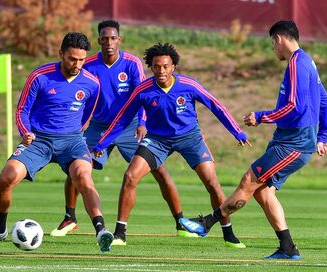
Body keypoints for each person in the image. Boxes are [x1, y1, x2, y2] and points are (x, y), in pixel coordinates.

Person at [179, 20, 327, 260]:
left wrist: (260, 117)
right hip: (291, 141)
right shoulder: (307, 61)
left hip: (293, 144)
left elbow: (294, 106)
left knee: (248, 182)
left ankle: (206, 224)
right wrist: (322, 136)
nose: (274, 49)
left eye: (273, 43)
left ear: (279, 39)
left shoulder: (296, 64)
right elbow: (325, 101)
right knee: (263, 193)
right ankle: (288, 248)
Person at [92, 42, 250, 248]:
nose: (161, 71)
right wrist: (102, 143)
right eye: (156, 67)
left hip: (190, 138)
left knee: (212, 183)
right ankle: (120, 233)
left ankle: (228, 233)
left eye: (165, 66)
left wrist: (236, 131)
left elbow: (216, 106)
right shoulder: (143, 90)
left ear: (173, 67)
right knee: (130, 176)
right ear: (151, 67)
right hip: (157, 140)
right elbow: (122, 118)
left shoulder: (189, 85)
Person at [50, 20, 194, 242]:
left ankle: (181, 221)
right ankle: (70, 217)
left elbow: (143, 94)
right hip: (99, 127)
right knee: (76, 166)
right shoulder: (87, 64)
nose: (109, 42)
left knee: (160, 172)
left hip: (130, 127)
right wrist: (80, 122)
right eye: (104, 38)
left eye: (113, 38)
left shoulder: (132, 63)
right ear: (99, 41)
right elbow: (81, 95)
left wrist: (142, 122)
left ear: (119, 40)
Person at [0, 32, 114, 252]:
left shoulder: (92, 83)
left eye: (81, 60)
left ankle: (101, 231)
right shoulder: (40, 76)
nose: (77, 64)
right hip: (39, 140)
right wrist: (25, 132)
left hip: (72, 142)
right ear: (61, 54)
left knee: (84, 177)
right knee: (6, 177)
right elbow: (22, 110)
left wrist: (76, 131)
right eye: (72, 59)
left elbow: (88, 113)